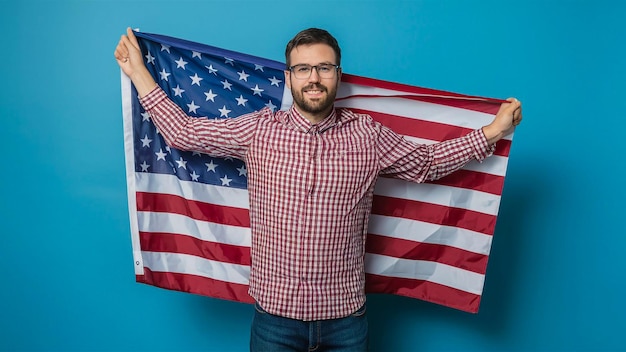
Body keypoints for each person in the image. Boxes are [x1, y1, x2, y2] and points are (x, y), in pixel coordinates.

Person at [114, 27, 522, 352]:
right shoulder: (260, 129)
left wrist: (492, 132)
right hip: (274, 321)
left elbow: (427, 164)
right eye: (304, 68)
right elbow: (184, 132)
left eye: (324, 68)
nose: (314, 78)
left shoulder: (367, 135)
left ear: (338, 76)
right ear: (288, 76)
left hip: (346, 323)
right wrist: (138, 72)